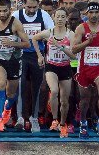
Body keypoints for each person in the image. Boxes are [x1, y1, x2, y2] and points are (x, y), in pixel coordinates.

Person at [0, 0, 30, 132]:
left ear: (10, 10)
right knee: (1, 83)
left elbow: (27, 44)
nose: (2, 14)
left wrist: (13, 43)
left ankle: (8, 108)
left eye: (5, 11)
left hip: (14, 61)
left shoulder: (16, 24)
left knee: (11, 94)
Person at [32, 8, 77, 138]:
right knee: (54, 91)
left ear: (66, 18)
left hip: (65, 68)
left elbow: (74, 56)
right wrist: (40, 56)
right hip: (51, 67)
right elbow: (34, 39)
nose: (60, 19)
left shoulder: (71, 35)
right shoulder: (49, 33)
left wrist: (61, 47)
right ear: (53, 17)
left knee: (64, 101)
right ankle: (55, 120)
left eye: (63, 17)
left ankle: (63, 124)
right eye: (58, 16)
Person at [12, 0, 54, 131]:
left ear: (38, 6)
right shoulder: (17, 15)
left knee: (36, 87)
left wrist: (41, 36)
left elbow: (51, 32)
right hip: (21, 55)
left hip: (37, 55)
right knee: (21, 85)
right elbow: (9, 32)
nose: (31, 10)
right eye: (28, 7)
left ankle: (34, 118)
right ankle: (20, 118)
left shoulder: (44, 15)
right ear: (24, 4)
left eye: (34, 7)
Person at [72, 0, 99, 137]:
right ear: (87, 13)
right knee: (85, 99)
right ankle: (83, 124)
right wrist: (87, 42)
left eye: (97, 12)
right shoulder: (81, 28)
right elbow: (74, 49)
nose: (94, 15)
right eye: (91, 12)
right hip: (84, 68)